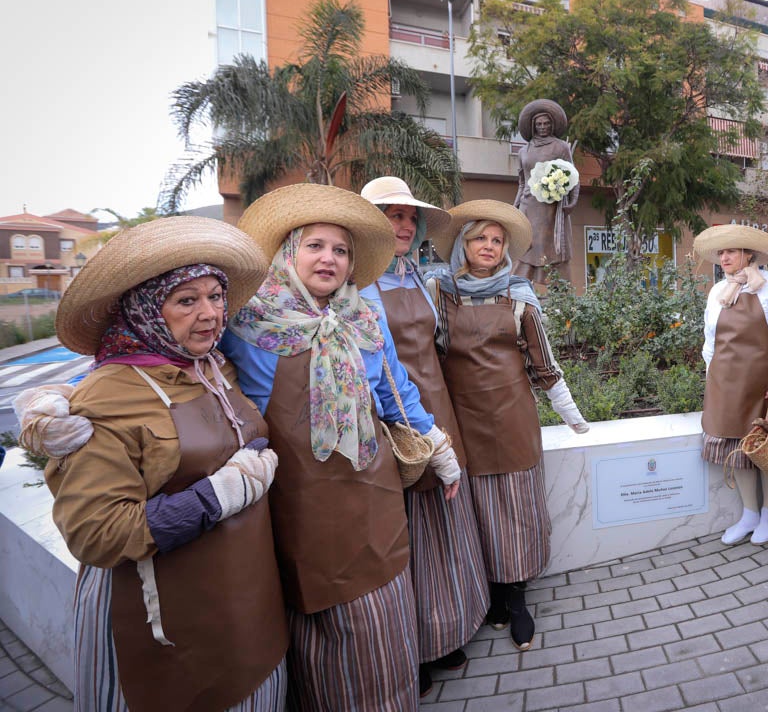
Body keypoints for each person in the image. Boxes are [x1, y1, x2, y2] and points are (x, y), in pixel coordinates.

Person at [31, 216, 288, 711]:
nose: (211, 313)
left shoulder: (214, 367)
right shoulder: (108, 393)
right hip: (163, 619)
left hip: (244, 597)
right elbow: (95, 532)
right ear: (147, 311)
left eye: (216, 295)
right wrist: (221, 494)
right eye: (186, 300)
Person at [221, 184, 456, 712]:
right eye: (315, 246)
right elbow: (178, 354)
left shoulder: (363, 320)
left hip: (373, 490)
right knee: (325, 621)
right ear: (288, 253)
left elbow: (395, 389)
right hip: (301, 503)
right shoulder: (245, 322)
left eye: (341, 250)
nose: (329, 258)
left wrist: (439, 449)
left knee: (385, 614)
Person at [427, 199, 589, 651]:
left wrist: (569, 412)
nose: (488, 246)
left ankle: (516, 600)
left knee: (516, 509)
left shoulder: (519, 296)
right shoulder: (440, 291)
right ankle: (492, 596)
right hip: (463, 417)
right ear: (463, 243)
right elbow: (432, 357)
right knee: (478, 509)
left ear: (504, 251)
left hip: (513, 415)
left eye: (497, 240)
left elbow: (543, 360)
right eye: (480, 237)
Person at [358, 177, 489, 696]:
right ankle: (410, 645)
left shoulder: (417, 273)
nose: (405, 226)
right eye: (394, 216)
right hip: (393, 416)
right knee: (405, 525)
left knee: (443, 519)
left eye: (410, 219)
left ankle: (445, 630)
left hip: (437, 403)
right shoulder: (357, 284)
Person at [694, 225, 768, 546]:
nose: (724, 258)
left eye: (731, 252)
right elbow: (710, 341)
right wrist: (712, 379)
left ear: (749, 254)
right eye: (721, 253)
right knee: (738, 451)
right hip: (726, 383)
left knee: (764, 448)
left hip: (764, 383)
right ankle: (749, 513)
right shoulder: (717, 291)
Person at [512, 99, 579, 285]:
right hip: (528, 208)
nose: (543, 127)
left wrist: (572, 202)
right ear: (533, 126)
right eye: (539, 124)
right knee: (526, 250)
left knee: (554, 252)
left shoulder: (561, 147)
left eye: (546, 123)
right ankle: (518, 293)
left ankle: (561, 298)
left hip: (551, 210)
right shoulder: (523, 151)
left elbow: (573, 177)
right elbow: (521, 182)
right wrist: (515, 207)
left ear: (552, 125)